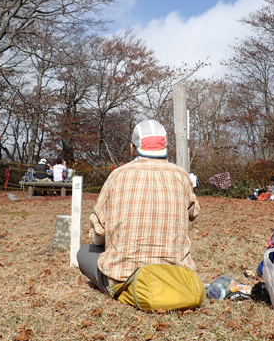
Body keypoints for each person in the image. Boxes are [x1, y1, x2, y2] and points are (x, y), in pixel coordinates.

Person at [76, 119, 200, 294]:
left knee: (84, 252)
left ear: (132, 148)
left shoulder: (117, 175)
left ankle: (116, 285)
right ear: (165, 148)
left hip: (125, 279)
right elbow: (193, 212)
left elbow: (99, 233)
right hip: (176, 277)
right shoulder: (181, 175)